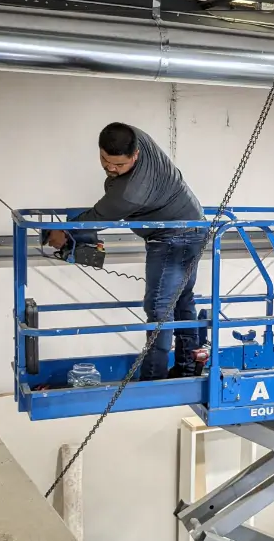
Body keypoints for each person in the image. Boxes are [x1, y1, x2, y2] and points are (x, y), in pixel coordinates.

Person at [45, 123, 206, 381]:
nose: (110, 168)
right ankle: (189, 366)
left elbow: (97, 217)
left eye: (119, 165)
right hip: (192, 222)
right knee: (181, 300)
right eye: (105, 160)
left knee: (159, 308)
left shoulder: (131, 191)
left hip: (174, 235)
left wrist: (64, 232)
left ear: (136, 155)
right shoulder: (135, 135)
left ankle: (154, 378)